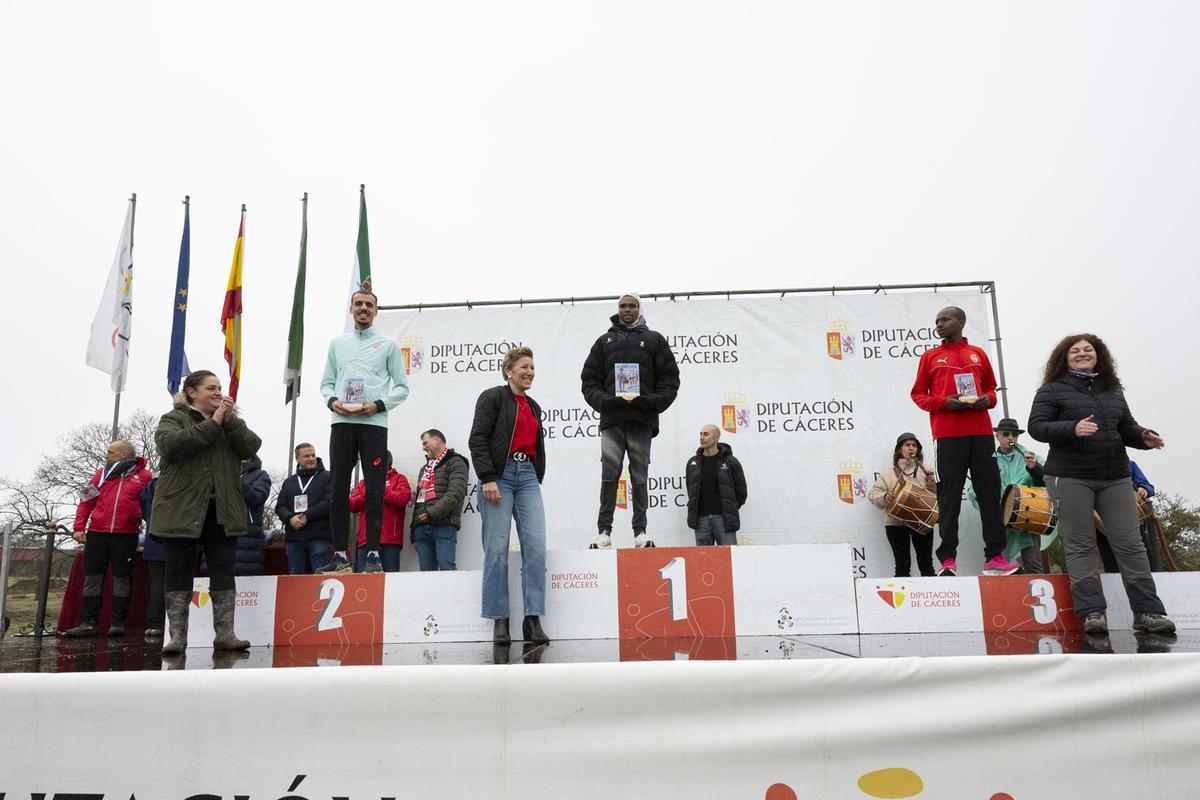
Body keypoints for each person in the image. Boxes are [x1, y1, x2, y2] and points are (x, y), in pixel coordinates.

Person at [1028, 333, 1175, 635]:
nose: (1082, 353)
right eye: (1075, 351)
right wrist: (1073, 428)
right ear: (1064, 358)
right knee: (1081, 545)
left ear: (1099, 355)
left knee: (1131, 545)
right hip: (1069, 476)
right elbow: (1037, 427)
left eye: (1088, 349)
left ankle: (1149, 613)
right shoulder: (1051, 390)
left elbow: (1127, 428)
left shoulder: (1113, 390)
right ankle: (1092, 613)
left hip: (1115, 475)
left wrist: (1143, 437)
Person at [152, 369, 261, 655]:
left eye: (219, 388)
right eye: (211, 388)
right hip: (180, 510)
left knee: (224, 572)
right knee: (178, 572)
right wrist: (213, 423)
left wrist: (230, 420)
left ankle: (226, 635)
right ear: (192, 392)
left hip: (221, 509)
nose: (218, 392)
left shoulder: (230, 423)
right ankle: (177, 638)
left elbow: (252, 445)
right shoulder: (173, 419)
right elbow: (170, 446)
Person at [910, 306, 1018, 576]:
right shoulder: (930, 357)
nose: (939, 324)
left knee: (990, 495)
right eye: (937, 321)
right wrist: (944, 403)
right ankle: (947, 560)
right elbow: (918, 395)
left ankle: (995, 558)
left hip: (981, 434)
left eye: (945, 320)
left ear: (961, 322)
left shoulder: (978, 354)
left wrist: (987, 400)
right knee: (949, 499)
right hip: (947, 437)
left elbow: (992, 390)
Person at [318, 290, 410, 574]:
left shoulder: (388, 345)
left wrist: (378, 404)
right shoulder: (337, 344)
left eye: (369, 305)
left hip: (374, 425)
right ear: (351, 309)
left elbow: (402, 387)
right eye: (358, 304)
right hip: (342, 422)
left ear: (375, 311)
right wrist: (333, 402)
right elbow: (326, 384)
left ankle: (372, 553)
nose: (363, 308)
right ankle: (341, 556)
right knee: (337, 489)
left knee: (374, 489)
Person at [580, 292, 680, 549]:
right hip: (612, 421)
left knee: (639, 476)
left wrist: (650, 402)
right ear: (617, 309)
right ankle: (604, 532)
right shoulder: (604, 341)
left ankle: (640, 532)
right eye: (623, 305)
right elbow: (589, 382)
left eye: (632, 305)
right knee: (609, 476)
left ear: (639, 308)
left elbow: (670, 380)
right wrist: (607, 402)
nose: (627, 309)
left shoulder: (654, 340)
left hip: (641, 421)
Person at [469, 346, 549, 645]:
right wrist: (487, 477)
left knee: (536, 547)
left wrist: (537, 472)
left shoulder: (534, 406)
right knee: (497, 549)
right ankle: (500, 620)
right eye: (524, 367)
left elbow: (536, 444)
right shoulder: (492, 397)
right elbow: (477, 438)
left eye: (532, 368)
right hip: (498, 477)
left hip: (527, 476)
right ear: (509, 370)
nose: (529, 372)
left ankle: (532, 620)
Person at [63, 440, 152, 637]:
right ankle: (88, 623)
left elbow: (150, 505)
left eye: (110, 452)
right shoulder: (101, 474)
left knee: (122, 579)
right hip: (97, 533)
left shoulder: (144, 476)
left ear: (123, 454)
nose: (106, 455)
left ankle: (117, 622)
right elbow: (86, 500)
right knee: (92, 579)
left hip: (126, 535)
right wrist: (79, 527)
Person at [968, 418, 1052, 574]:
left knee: (1033, 563)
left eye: (1014, 434)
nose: (1010, 438)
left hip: (1026, 518)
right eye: (1006, 434)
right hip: (1000, 521)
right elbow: (975, 490)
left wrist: (1035, 468)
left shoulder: (1029, 457)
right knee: (999, 566)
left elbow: (1047, 481)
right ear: (997, 436)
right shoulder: (988, 461)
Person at [868, 433, 937, 577]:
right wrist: (885, 497)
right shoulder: (887, 474)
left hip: (922, 520)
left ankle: (930, 597)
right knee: (902, 565)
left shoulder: (928, 471)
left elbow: (936, 497)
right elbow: (873, 495)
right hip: (896, 524)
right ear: (900, 450)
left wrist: (931, 483)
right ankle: (904, 598)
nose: (911, 448)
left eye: (914, 445)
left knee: (926, 566)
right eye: (907, 445)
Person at [411, 429, 470, 571]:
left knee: (446, 569)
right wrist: (414, 530)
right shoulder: (424, 469)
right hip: (422, 529)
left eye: (425, 443)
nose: (423, 448)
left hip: (444, 525)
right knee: (426, 575)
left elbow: (455, 493)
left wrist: (432, 513)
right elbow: (419, 501)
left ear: (437, 440)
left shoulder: (456, 462)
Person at [684, 424, 747, 546]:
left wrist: (729, 508)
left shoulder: (730, 461)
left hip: (724, 519)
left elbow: (741, 492)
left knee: (729, 559)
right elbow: (690, 490)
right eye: (701, 434)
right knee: (703, 561)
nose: (702, 437)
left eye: (706, 434)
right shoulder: (693, 463)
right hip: (701, 521)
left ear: (716, 437)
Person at [275, 443, 333, 575]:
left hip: (319, 536)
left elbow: (330, 502)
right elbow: (280, 506)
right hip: (294, 537)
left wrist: (307, 515)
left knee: (320, 578)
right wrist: (290, 518)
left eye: (313, 455)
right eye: (306, 456)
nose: (311, 458)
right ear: (297, 459)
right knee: (296, 580)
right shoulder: (289, 481)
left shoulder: (327, 476)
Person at [350, 452, 411, 572]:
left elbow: (402, 499)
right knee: (363, 584)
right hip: (365, 541)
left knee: (390, 582)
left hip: (389, 541)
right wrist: (369, 494)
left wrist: (381, 490)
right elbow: (352, 505)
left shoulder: (399, 478)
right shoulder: (363, 483)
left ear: (386, 461)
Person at [1096, 459, 1159, 572]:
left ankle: (1151, 579)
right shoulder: (1085, 465)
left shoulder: (1127, 463)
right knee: (1110, 557)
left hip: (1130, 518)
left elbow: (1147, 486)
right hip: (1101, 522)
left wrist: (1144, 488)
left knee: (1143, 553)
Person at [138, 478, 166, 641]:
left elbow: (143, 513)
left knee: (157, 586)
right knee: (175, 586)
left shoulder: (147, 489)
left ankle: (155, 623)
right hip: (175, 540)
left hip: (153, 541)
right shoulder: (177, 484)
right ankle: (172, 624)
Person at [236, 456, 272, 576]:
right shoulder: (219, 474)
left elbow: (257, 499)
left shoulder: (260, 475)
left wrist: (234, 476)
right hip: (219, 537)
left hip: (247, 538)